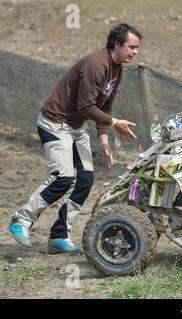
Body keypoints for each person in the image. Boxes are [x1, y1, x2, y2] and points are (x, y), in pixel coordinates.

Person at [7, 23, 141, 254]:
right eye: (132, 47)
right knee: (62, 178)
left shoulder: (117, 68)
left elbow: (105, 105)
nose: (135, 52)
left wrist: (104, 139)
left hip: (75, 126)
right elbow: (86, 106)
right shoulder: (95, 65)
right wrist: (115, 123)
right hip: (54, 123)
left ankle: (59, 235)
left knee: (85, 179)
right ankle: (20, 220)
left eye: (137, 48)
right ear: (116, 44)